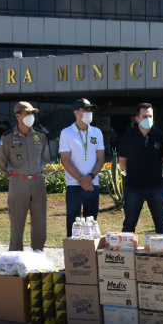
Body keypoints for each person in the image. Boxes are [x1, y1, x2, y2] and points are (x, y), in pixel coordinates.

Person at [0, 101, 51, 251]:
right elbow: (2, 163)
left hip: (38, 182)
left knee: (40, 224)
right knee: (17, 224)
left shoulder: (40, 135)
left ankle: (38, 254)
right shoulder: (8, 137)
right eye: (27, 113)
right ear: (18, 116)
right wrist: (17, 176)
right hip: (18, 183)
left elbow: (46, 158)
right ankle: (16, 257)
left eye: (32, 113)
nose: (31, 116)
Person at [118, 103, 163, 234]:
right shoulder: (128, 136)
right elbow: (122, 161)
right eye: (145, 116)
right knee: (129, 224)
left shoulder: (160, 136)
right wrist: (135, 174)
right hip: (133, 187)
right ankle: (127, 247)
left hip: (156, 187)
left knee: (161, 223)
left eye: (150, 116)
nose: (148, 119)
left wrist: (154, 172)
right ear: (137, 118)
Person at [59, 98, 105, 237]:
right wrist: (82, 180)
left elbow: (100, 159)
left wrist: (89, 178)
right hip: (74, 184)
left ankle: (89, 249)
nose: (89, 112)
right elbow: (65, 160)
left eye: (90, 109)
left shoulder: (97, 132)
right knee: (73, 224)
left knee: (91, 224)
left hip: (92, 184)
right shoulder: (66, 132)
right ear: (76, 113)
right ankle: (72, 249)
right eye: (85, 109)